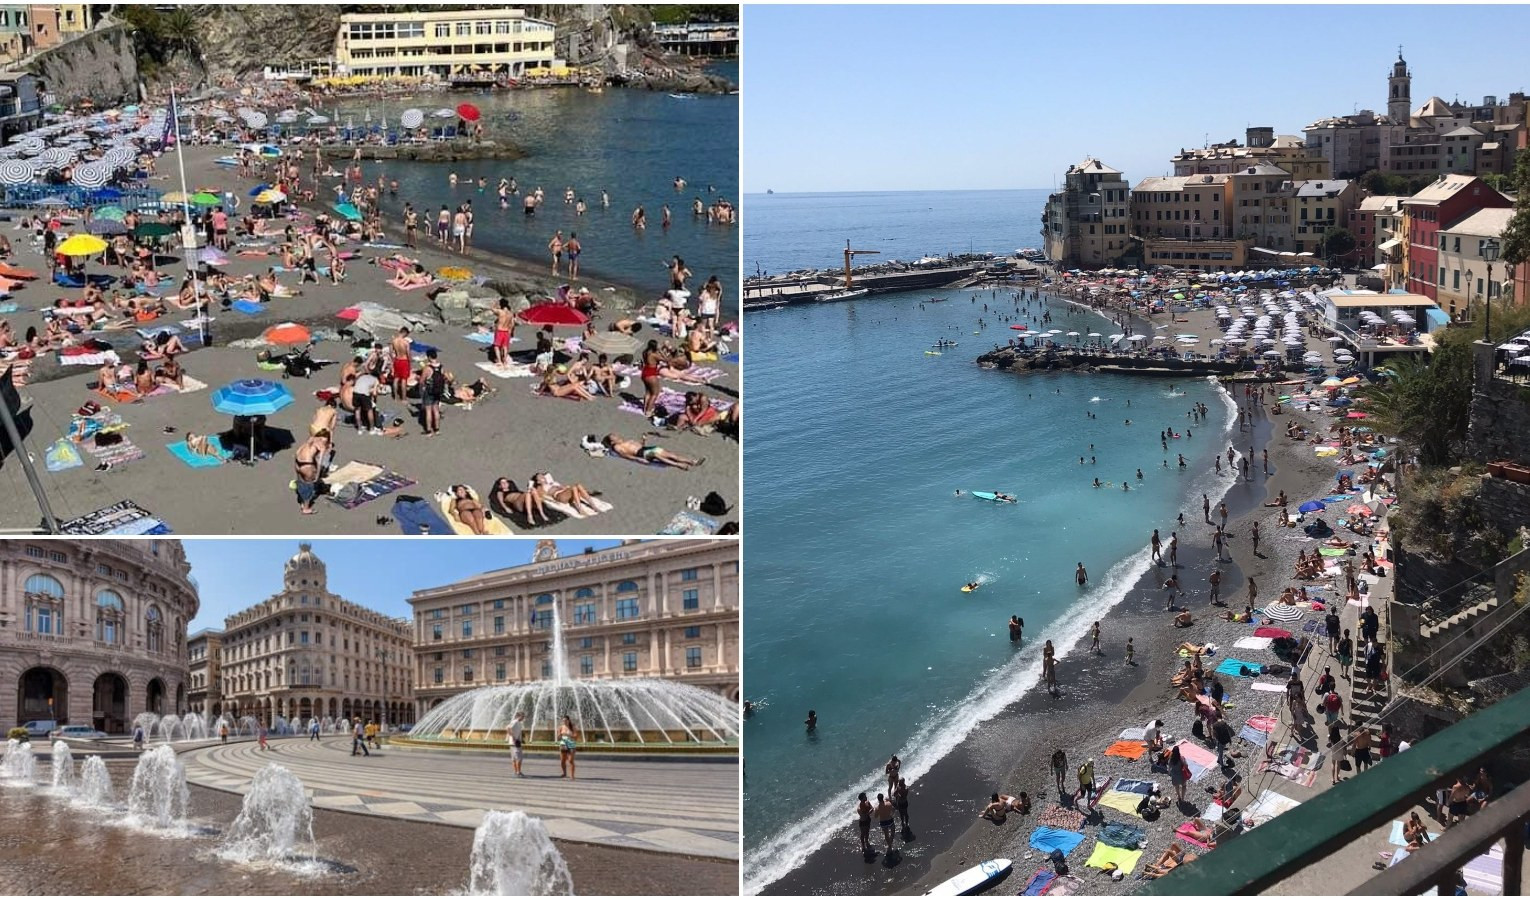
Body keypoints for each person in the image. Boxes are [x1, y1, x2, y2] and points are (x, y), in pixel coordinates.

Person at [602, 433, 703, 470]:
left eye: (616, 435)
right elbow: (626, 456)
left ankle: (692, 461)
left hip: (646, 449)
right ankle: (679, 465)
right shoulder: (617, 447)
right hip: (641, 454)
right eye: (614, 437)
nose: (617, 436)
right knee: (656, 454)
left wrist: (644, 439)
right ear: (612, 441)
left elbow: (641, 445)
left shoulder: (627, 440)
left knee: (671, 455)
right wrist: (638, 459)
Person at [294, 430, 330, 516]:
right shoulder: (322, 445)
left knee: (301, 482)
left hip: (298, 462)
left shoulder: (311, 439)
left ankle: (301, 499)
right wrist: (317, 475)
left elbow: (299, 451)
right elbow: (320, 461)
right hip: (307, 466)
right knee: (309, 486)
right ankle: (306, 508)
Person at [558, 715, 577, 779]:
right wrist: (560, 736)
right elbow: (558, 737)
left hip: (571, 745)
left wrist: (569, 735)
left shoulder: (572, 727)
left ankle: (572, 775)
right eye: (563, 721)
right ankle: (564, 773)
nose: (564, 722)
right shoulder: (561, 727)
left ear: (569, 721)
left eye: (566, 720)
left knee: (571, 760)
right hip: (563, 745)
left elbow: (576, 736)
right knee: (562, 760)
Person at [508, 711, 526, 777]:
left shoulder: (518, 723)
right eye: (523, 716)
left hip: (515, 743)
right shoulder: (515, 722)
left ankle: (516, 772)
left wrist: (522, 739)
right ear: (519, 716)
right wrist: (513, 738)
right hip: (515, 743)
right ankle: (518, 772)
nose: (524, 718)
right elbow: (508, 728)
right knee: (519, 758)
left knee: (515, 758)